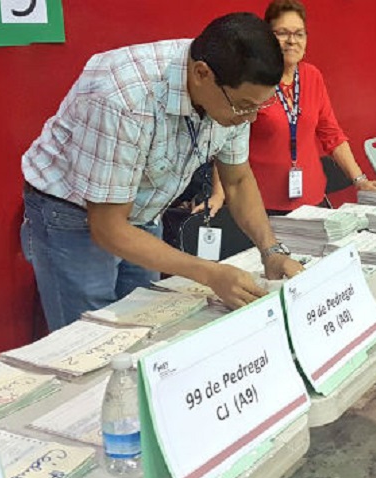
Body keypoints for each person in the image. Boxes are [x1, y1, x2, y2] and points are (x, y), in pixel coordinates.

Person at [21, 12, 303, 332]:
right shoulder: (124, 97)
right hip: (74, 215)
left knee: (146, 325)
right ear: (201, 73)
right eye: (243, 106)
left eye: (258, 106)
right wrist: (210, 274)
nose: (249, 118)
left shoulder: (233, 93)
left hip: (145, 209)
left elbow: (237, 180)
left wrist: (271, 251)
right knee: (91, 337)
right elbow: (108, 227)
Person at [206, 0, 376, 214]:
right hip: (260, 205)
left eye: (299, 34)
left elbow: (332, 134)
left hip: (312, 203)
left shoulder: (312, 76)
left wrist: (360, 181)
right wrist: (219, 194)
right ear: (267, 38)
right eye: (282, 33)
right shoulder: (251, 81)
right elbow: (227, 140)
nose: (292, 41)